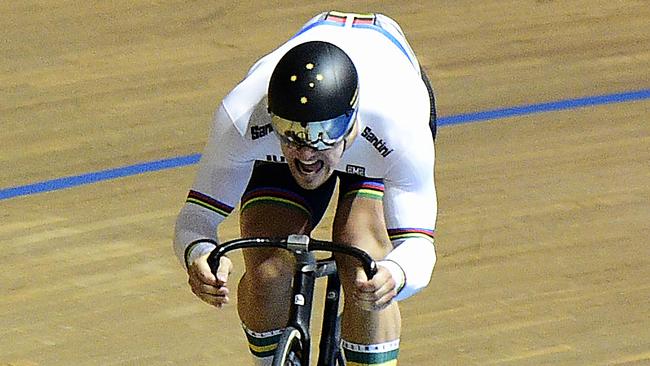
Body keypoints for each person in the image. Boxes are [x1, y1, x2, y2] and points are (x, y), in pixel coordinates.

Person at [173, 10, 438, 366]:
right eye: (293, 136)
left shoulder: (398, 129)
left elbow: (419, 247)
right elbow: (195, 219)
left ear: (352, 124)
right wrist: (199, 255)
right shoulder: (243, 116)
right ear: (273, 117)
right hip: (317, 134)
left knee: (363, 260)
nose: (308, 153)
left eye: (322, 138)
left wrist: (396, 274)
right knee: (268, 271)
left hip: (373, 142)